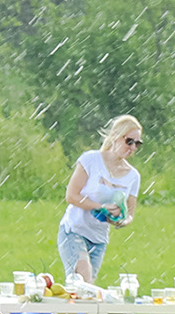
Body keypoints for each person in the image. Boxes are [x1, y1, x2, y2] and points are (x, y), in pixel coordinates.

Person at [58, 115, 142, 286]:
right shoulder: (91, 160)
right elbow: (71, 196)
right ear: (115, 137)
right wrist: (100, 207)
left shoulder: (133, 176)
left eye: (138, 144)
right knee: (83, 279)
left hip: (99, 239)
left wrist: (120, 220)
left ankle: (66, 313)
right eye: (129, 141)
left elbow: (130, 214)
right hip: (74, 229)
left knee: (84, 292)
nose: (133, 148)